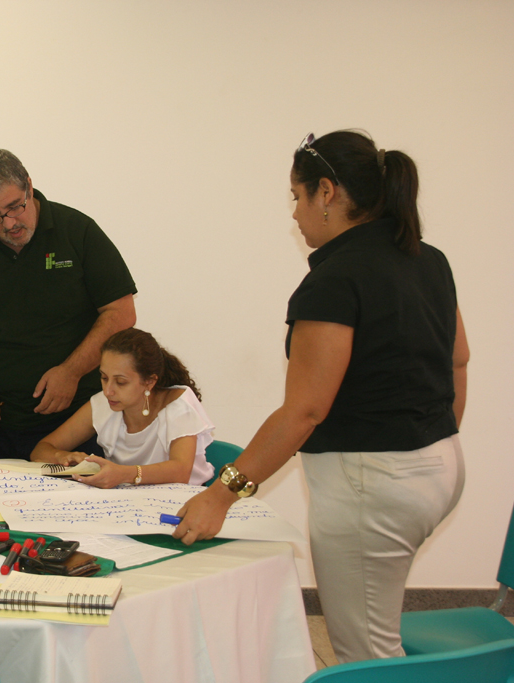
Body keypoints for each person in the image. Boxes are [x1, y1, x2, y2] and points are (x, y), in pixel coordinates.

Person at [172, 131, 468, 663]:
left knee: (367, 654)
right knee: (379, 627)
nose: (295, 213)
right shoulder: (428, 259)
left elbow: (305, 410)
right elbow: (458, 360)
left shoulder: (336, 278)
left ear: (326, 192)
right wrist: (426, 440)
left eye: (297, 196)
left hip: (373, 487)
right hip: (440, 467)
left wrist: (220, 495)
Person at [0, 148, 138, 459]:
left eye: (15, 206)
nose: (9, 223)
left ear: (29, 185)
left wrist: (71, 372)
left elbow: (121, 312)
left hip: (75, 420)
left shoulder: (77, 230)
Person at [29, 328, 215, 488]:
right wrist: (61, 456)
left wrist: (123, 474)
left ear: (149, 382)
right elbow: (40, 449)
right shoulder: (103, 403)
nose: (108, 391)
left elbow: (180, 472)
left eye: (120, 382)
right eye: (104, 378)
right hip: (130, 503)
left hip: (184, 501)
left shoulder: (179, 405)